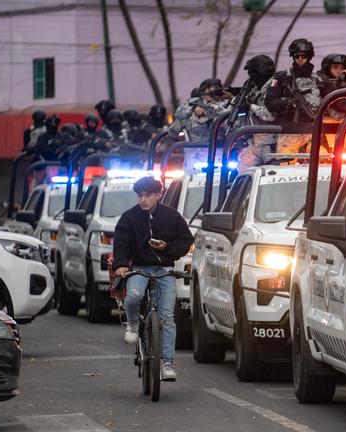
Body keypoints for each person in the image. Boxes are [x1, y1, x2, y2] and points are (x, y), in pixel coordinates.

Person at [112, 176, 194, 381]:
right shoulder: (128, 218)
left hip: (165, 270)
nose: (143, 199)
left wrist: (168, 247)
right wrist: (121, 264)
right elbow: (120, 243)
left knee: (167, 317)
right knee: (132, 298)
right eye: (140, 195)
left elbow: (186, 241)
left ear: (159, 194)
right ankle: (132, 324)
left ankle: (167, 365)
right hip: (139, 269)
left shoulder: (172, 217)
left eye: (148, 195)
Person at [265, 38, 322, 154]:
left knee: (322, 163)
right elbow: (270, 102)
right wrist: (289, 104)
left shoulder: (319, 80)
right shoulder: (281, 77)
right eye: (297, 56)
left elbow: (331, 102)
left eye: (303, 56)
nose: (300, 59)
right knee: (285, 166)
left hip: (313, 131)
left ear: (309, 56)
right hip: (289, 131)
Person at [236, 54, 280, 170]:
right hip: (256, 141)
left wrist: (250, 107)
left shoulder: (275, 87)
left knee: (271, 174)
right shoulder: (254, 89)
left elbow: (270, 115)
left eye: (252, 73)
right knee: (240, 173)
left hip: (272, 143)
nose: (250, 76)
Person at [168, 78, 232, 143]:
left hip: (220, 149)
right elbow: (173, 131)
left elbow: (232, 127)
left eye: (218, 89)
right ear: (203, 91)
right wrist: (194, 107)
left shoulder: (226, 105)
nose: (216, 92)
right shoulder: (190, 109)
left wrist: (232, 98)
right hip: (195, 150)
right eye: (213, 89)